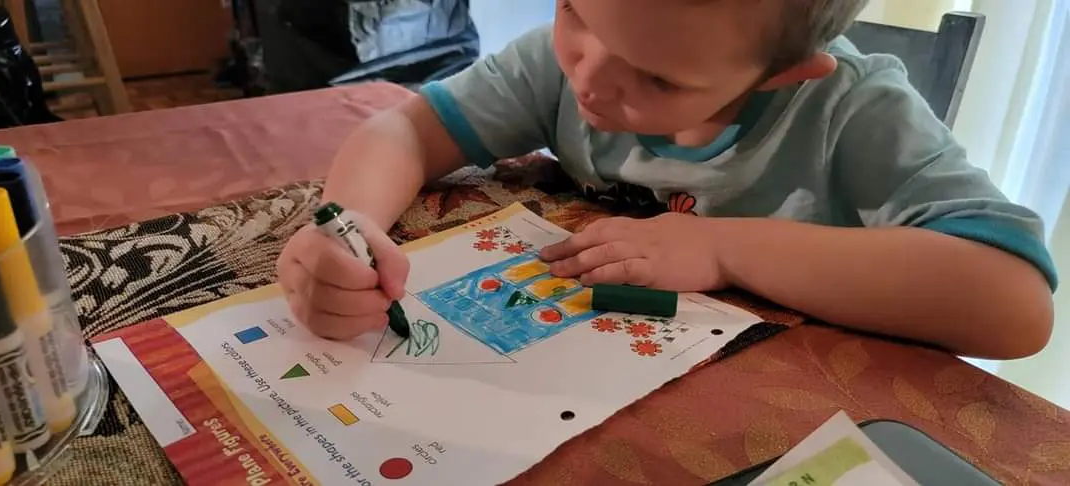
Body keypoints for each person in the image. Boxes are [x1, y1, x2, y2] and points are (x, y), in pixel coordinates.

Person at [276, 0, 1057, 360]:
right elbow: (404, 129)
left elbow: (1014, 304)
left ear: (781, 75)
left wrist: (722, 248)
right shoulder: (564, 63)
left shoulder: (854, 110)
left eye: (657, 78)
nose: (588, 79)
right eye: (574, 11)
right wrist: (348, 222)